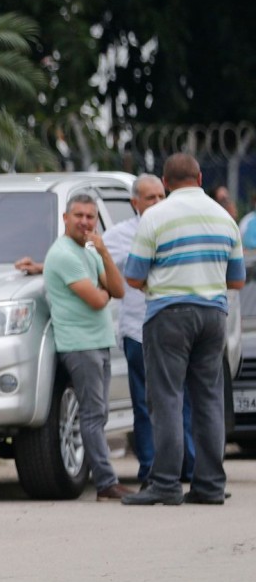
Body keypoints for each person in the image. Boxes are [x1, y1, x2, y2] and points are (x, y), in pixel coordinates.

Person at [122, 153, 245, 506]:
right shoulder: (225, 219)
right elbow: (236, 280)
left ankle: (165, 484)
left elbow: (133, 275)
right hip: (212, 317)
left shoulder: (155, 216)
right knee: (208, 400)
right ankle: (208, 486)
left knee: (166, 399)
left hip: (168, 315)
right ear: (200, 177)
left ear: (165, 182)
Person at [103, 174, 195, 489]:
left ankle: (187, 466)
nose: (157, 202)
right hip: (137, 329)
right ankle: (150, 469)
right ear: (135, 203)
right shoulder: (120, 235)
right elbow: (92, 263)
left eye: (161, 196)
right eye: (150, 198)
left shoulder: (179, 228)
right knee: (145, 404)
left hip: (175, 329)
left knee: (181, 400)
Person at [42, 192, 132, 501]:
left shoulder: (92, 251)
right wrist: (103, 290)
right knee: (93, 416)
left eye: (90, 217)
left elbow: (118, 289)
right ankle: (106, 483)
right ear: (65, 218)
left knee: (99, 414)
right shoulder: (63, 254)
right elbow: (97, 300)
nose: (84, 222)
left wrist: (104, 253)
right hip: (79, 345)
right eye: (78, 215)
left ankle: (106, 480)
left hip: (99, 342)